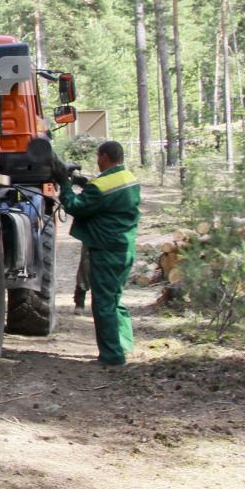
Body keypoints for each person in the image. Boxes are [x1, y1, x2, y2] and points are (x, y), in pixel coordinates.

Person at [60, 140, 140, 366]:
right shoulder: (129, 178)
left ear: (104, 157)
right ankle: (124, 344)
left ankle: (112, 356)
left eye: (98, 156)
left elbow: (75, 206)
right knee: (115, 299)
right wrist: (86, 185)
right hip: (125, 249)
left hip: (106, 251)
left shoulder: (102, 185)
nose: (97, 160)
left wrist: (64, 185)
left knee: (104, 303)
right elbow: (108, 202)